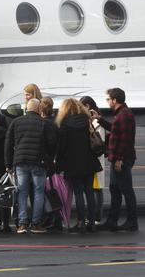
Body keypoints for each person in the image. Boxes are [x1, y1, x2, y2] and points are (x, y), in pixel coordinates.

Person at [4, 98, 51, 234]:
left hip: (20, 161)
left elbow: (8, 143)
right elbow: (51, 142)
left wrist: (8, 163)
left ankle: (22, 223)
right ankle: (36, 223)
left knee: (22, 192)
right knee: (38, 192)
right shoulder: (44, 123)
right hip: (38, 161)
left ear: (26, 109)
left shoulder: (16, 122)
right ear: (38, 109)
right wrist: (49, 159)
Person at [55, 98, 102, 233]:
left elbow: (62, 147)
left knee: (78, 193)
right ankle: (91, 222)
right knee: (89, 192)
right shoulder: (87, 120)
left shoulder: (65, 123)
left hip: (73, 163)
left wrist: (59, 164)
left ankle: (81, 221)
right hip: (89, 161)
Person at [96, 88, 138, 232]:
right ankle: (112, 221)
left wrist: (119, 159)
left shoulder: (124, 115)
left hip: (122, 160)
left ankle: (132, 222)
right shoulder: (121, 114)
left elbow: (125, 141)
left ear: (114, 100)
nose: (107, 102)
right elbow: (115, 130)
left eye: (108, 99)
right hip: (117, 159)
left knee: (126, 190)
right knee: (115, 190)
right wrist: (99, 119)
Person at [79, 95, 107, 223]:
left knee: (97, 189)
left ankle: (97, 217)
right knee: (94, 188)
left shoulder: (96, 124)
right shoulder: (92, 122)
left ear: (87, 106)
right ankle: (95, 216)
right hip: (92, 160)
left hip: (96, 160)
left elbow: (99, 144)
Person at [39, 97, 61, 231]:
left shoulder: (44, 124)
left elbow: (48, 143)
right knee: (52, 191)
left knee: (46, 191)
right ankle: (54, 218)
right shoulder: (55, 123)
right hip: (53, 161)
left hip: (46, 162)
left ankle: (52, 218)